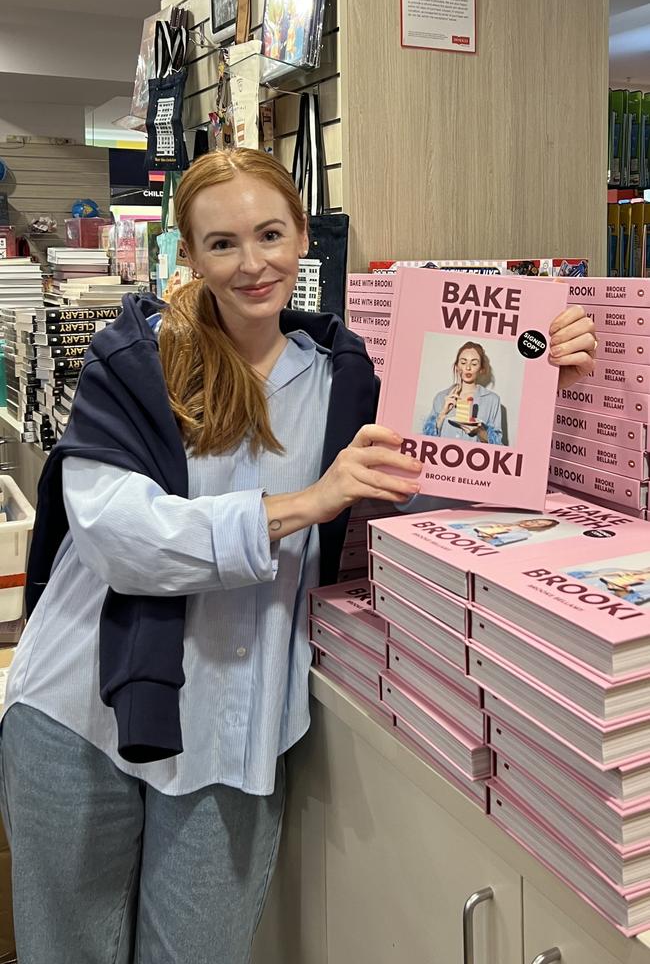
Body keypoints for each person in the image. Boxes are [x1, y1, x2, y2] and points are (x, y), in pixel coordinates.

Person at [0, 148, 598, 964]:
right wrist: (306, 504)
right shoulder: (135, 362)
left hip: (230, 731)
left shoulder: (342, 378)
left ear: (304, 236)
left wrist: (542, 375)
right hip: (81, 716)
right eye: (222, 244)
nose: (252, 264)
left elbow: (441, 481)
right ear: (191, 255)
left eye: (270, 234)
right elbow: (119, 539)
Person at [422, 341, 502, 443]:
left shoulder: (492, 400)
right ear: (457, 366)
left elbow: (497, 443)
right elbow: (426, 440)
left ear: (481, 369)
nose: (468, 367)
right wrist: (442, 414)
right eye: (463, 363)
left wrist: (479, 431)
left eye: (474, 363)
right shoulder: (441, 397)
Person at [448, 516, 560, 546]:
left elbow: (492, 542)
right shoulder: (510, 521)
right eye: (536, 521)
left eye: (539, 524)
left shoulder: (523, 533)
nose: (533, 523)